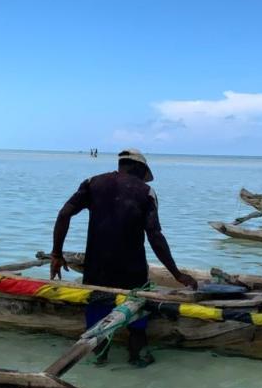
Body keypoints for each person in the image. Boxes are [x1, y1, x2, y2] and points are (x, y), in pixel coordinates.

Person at [50, 149, 197, 367]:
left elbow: (64, 214)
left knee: (97, 318)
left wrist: (56, 254)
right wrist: (177, 274)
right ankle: (137, 358)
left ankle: (100, 360)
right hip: (132, 272)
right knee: (137, 319)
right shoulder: (146, 192)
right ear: (139, 169)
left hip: (96, 269)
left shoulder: (92, 183)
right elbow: (155, 236)